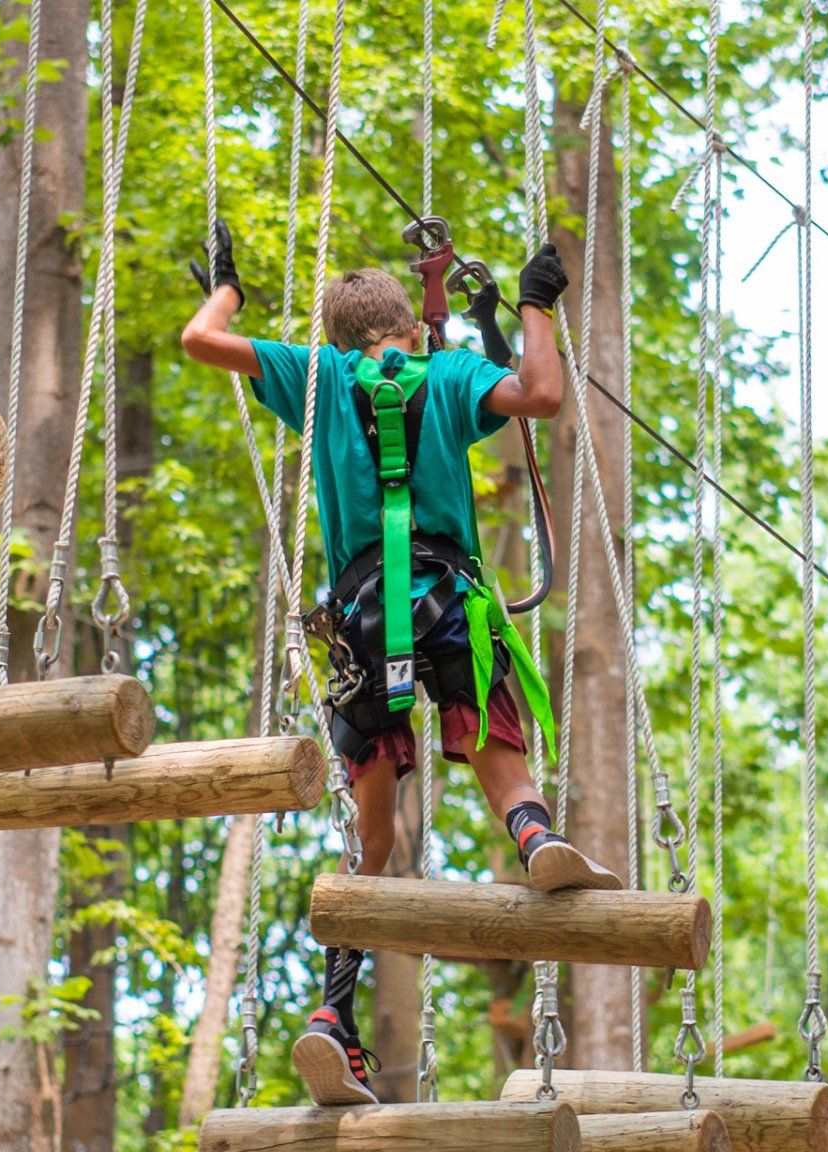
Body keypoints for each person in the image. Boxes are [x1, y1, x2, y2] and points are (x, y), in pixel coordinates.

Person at [181, 221, 622, 1105]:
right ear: (414, 333)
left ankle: (332, 1021)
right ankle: (535, 838)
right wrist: (533, 306)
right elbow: (541, 396)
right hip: (447, 599)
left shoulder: (316, 375)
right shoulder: (451, 374)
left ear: (340, 338)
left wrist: (229, 287)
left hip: (361, 616)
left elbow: (199, 340)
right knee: (501, 755)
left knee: (371, 841)